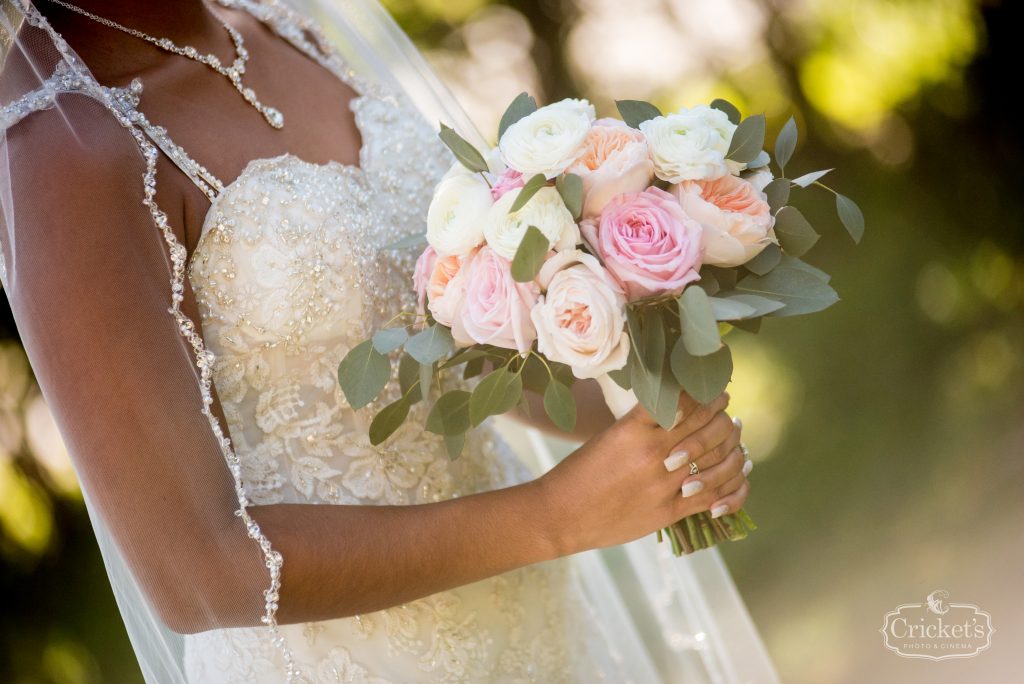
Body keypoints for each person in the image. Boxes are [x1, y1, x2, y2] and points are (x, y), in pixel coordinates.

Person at [0, 0, 773, 681]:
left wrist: (643, 417)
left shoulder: (286, 25)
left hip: (537, 625)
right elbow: (200, 571)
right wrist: (555, 514)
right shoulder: (62, 149)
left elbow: (445, 344)